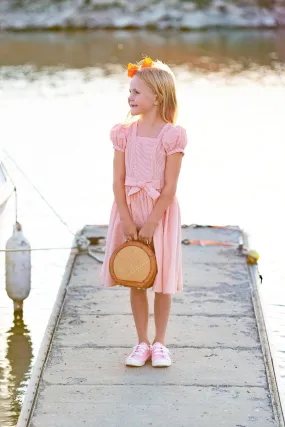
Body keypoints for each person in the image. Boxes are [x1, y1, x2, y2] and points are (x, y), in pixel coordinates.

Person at [101, 57, 188, 368]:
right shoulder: (124, 134)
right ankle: (141, 342)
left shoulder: (172, 135)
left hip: (159, 214)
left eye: (136, 92)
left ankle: (160, 343)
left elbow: (170, 188)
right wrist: (126, 218)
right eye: (130, 91)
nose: (130, 97)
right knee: (136, 276)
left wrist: (152, 223)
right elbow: (117, 181)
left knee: (161, 278)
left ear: (157, 97)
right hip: (129, 209)